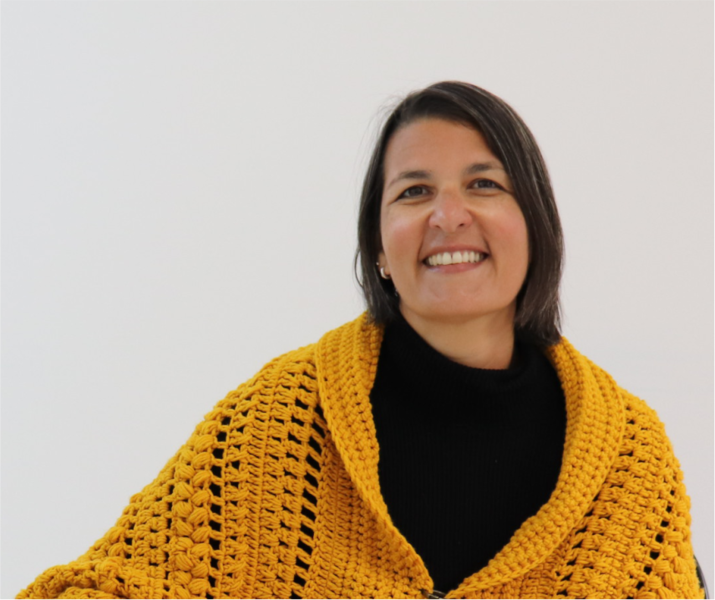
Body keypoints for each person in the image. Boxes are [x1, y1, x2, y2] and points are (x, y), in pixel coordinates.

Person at [17, 82, 704, 600]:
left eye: (483, 184)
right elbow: (113, 587)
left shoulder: (629, 459)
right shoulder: (280, 421)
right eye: (413, 192)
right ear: (378, 247)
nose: (447, 215)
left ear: (536, 224)